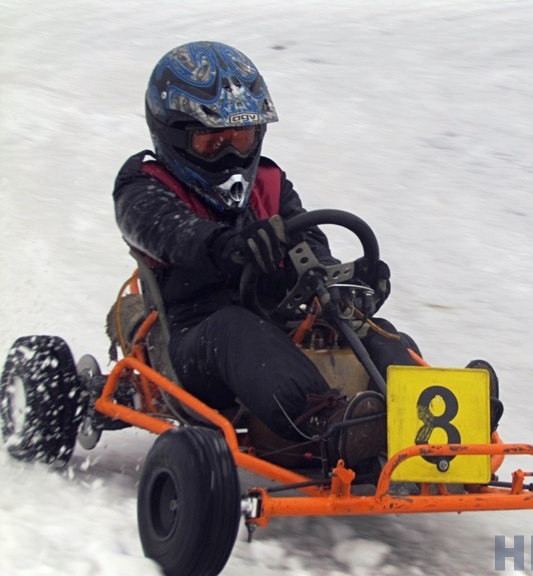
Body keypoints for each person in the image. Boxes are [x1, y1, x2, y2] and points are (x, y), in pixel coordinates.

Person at [113, 41, 501, 470]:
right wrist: (225, 246)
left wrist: (347, 281)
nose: (230, 154)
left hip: (278, 321)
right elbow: (166, 231)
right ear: (173, 137)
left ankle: (445, 413)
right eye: (212, 142)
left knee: (368, 328)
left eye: (240, 138)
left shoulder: (269, 184)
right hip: (192, 344)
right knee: (236, 329)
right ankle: (333, 428)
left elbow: (308, 247)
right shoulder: (143, 186)